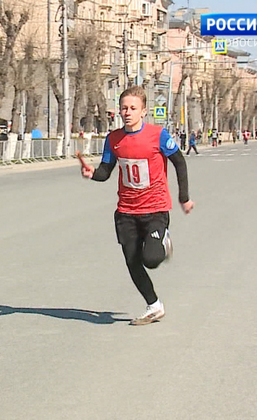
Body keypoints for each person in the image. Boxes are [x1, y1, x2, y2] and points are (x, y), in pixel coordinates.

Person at [80, 85, 195, 326]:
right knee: (132, 261)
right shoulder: (114, 139)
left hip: (155, 209)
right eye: (124, 108)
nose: (127, 112)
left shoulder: (158, 135)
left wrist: (184, 197)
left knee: (151, 259)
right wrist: (92, 174)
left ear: (143, 111)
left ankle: (163, 240)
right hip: (126, 212)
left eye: (133, 108)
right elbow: (105, 171)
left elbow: (179, 162)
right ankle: (154, 306)